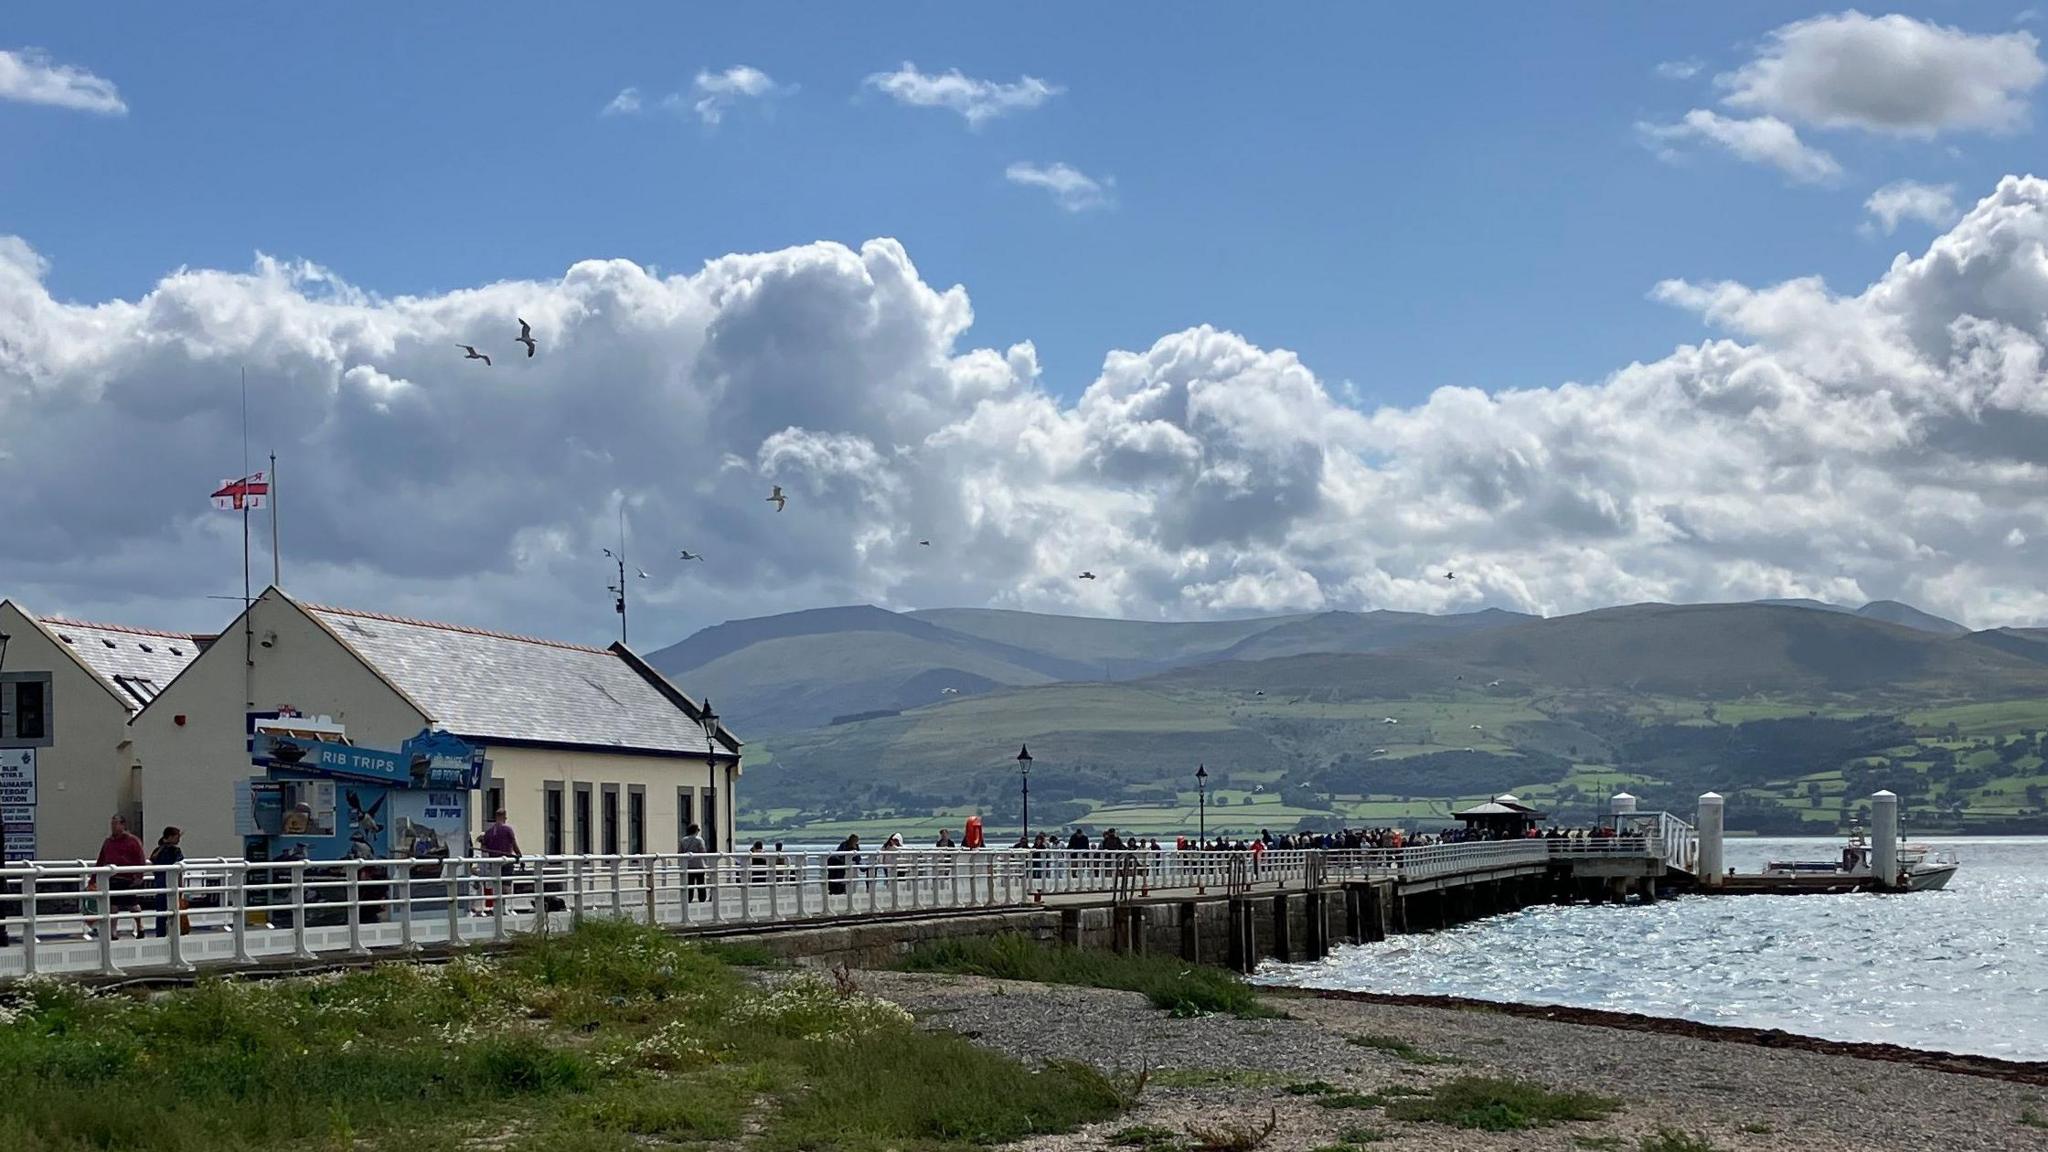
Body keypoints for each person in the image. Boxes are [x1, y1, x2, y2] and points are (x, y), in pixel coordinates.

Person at [92, 815, 148, 940]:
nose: (113, 827)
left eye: (115, 824)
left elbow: (140, 858)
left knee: (132, 904)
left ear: (123, 825)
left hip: (127, 877)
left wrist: (139, 875)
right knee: (113, 905)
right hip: (112, 877)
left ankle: (140, 926)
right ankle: (113, 932)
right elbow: (101, 859)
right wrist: (93, 878)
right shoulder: (108, 842)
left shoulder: (132, 841)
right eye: (112, 824)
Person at [479, 807, 521, 912]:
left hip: (494, 862)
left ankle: (497, 907)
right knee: (506, 887)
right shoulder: (508, 830)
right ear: (503, 817)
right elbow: (514, 844)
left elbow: (483, 849)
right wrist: (519, 855)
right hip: (507, 861)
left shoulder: (488, 832)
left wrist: (483, 842)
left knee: (496, 885)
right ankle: (503, 907)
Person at [148, 826, 185, 938]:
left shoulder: (158, 850)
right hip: (171, 883)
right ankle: (174, 935)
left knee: (161, 912)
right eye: (176, 837)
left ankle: (160, 935)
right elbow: (180, 866)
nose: (178, 840)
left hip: (160, 883)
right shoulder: (175, 851)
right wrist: (180, 885)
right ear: (170, 837)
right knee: (174, 910)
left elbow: (152, 861)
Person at [679, 823, 709, 903]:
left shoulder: (683, 840)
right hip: (699, 864)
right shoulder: (699, 840)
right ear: (696, 831)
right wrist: (706, 862)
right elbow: (703, 851)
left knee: (689, 883)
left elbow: (680, 852)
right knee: (701, 883)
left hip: (688, 865)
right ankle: (702, 898)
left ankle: (689, 898)